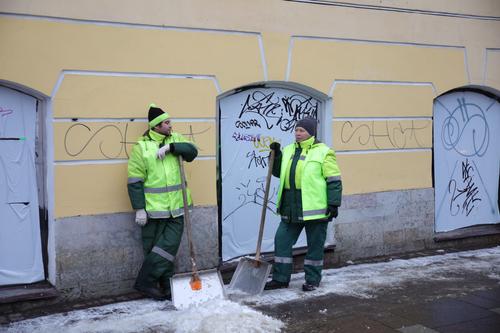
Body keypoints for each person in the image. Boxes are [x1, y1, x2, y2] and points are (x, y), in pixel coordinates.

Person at [127, 103, 198, 300]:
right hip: (154, 209)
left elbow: (192, 152)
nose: (170, 125)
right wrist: (139, 209)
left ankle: (145, 281)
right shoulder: (141, 148)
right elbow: (134, 181)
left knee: (169, 245)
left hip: (177, 206)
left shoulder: (175, 139)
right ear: (156, 126)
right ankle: (166, 286)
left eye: (169, 122)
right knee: (154, 248)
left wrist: (172, 147)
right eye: (166, 123)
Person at [264, 117, 342, 292]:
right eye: (296, 130)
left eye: (302, 131)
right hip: (290, 204)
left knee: (315, 245)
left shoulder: (324, 151)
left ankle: (312, 279)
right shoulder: (289, 149)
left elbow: (334, 180)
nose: (298, 134)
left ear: (311, 132)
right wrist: (275, 156)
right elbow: (277, 173)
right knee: (282, 240)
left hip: (315, 207)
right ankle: (280, 278)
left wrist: (334, 203)